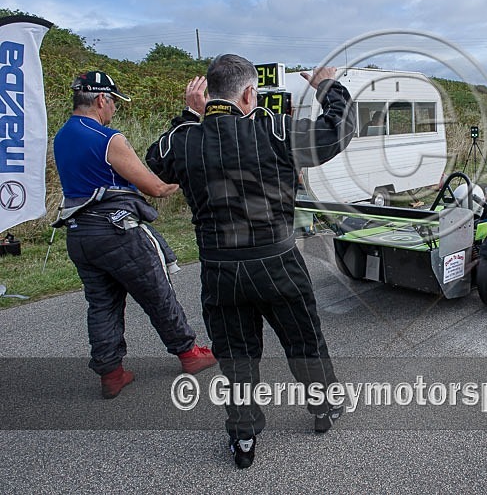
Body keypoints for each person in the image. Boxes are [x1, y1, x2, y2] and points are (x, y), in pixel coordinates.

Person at [146, 55, 357, 469]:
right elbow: (339, 128)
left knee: (236, 356)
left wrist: (190, 115)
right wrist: (326, 85)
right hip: (277, 261)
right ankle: (325, 407)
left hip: (220, 269)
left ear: (208, 94)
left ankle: (243, 436)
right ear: (249, 94)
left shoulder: (185, 138)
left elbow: (155, 163)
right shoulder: (275, 129)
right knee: (304, 341)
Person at [52, 71, 216, 400]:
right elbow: (155, 187)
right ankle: (189, 353)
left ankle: (111, 372)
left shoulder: (62, 135)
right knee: (157, 292)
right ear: (101, 99)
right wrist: (185, 176)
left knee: (102, 304)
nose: (114, 109)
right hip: (117, 231)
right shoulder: (108, 138)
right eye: (114, 102)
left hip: (79, 232)